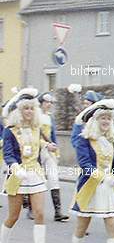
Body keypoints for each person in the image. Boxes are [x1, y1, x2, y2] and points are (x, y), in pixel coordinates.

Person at [0, 89, 57, 243]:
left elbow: (38, 143)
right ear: (19, 111)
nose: (29, 112)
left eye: (32, 109)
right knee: (13, 216)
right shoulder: (10, 131)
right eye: (26, 108)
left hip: (35, 174)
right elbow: (8, 154)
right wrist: (15, 168)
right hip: (17, 175)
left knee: (40, 213)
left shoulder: (36, 128)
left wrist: (48, 146)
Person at [69, 99, 114, 243]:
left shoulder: (112, 140)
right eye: (102, 118)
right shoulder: (84, 139)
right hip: (90, 188)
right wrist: (103, 177)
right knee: (82, 227)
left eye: (108, 118)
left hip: (108, 190)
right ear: (95, 120)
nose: (106, 121)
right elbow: (85, 164)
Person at [37, 92, 69, 222]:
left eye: (50, 102)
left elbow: (53, 136)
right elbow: (33, 137)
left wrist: (56, 151)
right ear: (41, 103)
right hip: (37, 152)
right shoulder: (35, 117)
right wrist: (45, 145)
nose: (49, 104)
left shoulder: (50, 118)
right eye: (46, 102)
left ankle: (58, 211)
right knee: (35, 180)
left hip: (49, 152)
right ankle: (31, 208)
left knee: (54, 178)